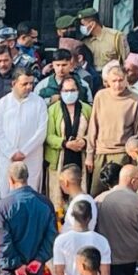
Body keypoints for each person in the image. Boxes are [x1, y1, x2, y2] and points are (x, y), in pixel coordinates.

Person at [85, 65, 138, 195]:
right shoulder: (100, 96)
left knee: (121, 193)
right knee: (96, 193)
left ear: (126, 80)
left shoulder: (135, 100)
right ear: (107, 81)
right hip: (101, 152)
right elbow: (93, 127)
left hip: (123, 153)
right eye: (114, 81)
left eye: (120, 80)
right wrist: (89, 155)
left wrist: (137, 159)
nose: (117, 84)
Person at [0, 68, 47, 199]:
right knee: (7, 192)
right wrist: (12, 152)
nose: (28, 87)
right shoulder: (3, 104)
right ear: (14, 84)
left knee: (31, 192)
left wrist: (24, 152)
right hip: (7, 157)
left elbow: (41, 131)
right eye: (24, 84)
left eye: (31, 84)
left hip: (31, 156)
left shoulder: (39, 102)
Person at [51, 200, 111, 275]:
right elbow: (106, 274)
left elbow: (59, 273)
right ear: (90, 217)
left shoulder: (61, 240)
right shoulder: (102, 241)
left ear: (72, 216)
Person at [44, 78, 92, 210]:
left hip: (80, 157)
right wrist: (65, 143)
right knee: (58, 199)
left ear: (78, 91)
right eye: (66, 90)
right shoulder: (53, 110)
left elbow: (93, 132)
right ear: (60, 92)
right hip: (59, 157)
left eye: (72, 90)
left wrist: (85, 141)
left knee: (79, 193)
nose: (69, 93)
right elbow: (48, 136)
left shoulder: (87, 109)